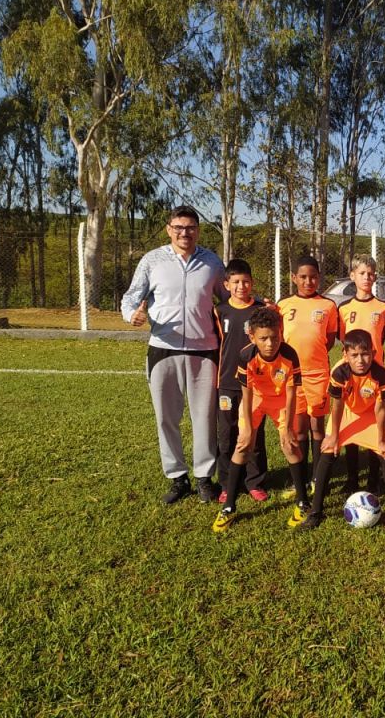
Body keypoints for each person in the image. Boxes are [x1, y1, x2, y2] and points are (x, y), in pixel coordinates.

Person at [121, 206, 226, 505]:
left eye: (190, 227)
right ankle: (178, 478)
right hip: (162, 349)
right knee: (166, 417)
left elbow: (229, 296)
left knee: (204, 417)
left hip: (204, 350)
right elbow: (132, 296)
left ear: (198, 230)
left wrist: (258, 305)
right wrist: (132, 315)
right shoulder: (152, 260)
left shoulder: (211, 262)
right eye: (178, 227)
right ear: (169, 229)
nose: (184, 233)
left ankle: (205, 478)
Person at [300, 330, 385, 531]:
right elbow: (337, 405)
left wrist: (382, 439)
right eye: (354, 355)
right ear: (345, 354)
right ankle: (316, 512)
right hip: (346, 414)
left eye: (365, 354)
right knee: (328, 451)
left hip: (370, 415)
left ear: (374, 351)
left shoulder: (380, 374)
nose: (360, 360)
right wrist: (334, 435)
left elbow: (380, 408)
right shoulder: (339, 373)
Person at [211, 307, 305, 533]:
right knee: (243, 444)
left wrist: (288, 429)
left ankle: (303, 503)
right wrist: (247, 427)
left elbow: (291, 393)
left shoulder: (290, 355)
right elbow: (247, 392)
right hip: (256, 398)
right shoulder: (246, 355)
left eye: (274, 337)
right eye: (263, 338)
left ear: (280, 333)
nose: (270, 343)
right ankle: (229, 507)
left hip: (281, 400)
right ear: (252, 337)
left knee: (290, 445)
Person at [277, 256, 338, 485]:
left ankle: (317, 477)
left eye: (313, 277)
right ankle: (300, 476)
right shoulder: (283, 305)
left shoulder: (328, 306)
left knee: (317, 427)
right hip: (293, 376)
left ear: (319, 278)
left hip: (318, 374)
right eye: (303, 277)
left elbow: (329, 340)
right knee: (299, 428)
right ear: (294, 278)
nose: (308, 281)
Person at [213, 258, 270, 503]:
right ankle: (227, 483)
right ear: (226, 284)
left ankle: (254, 482)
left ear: (252, 282)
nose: (241, 286)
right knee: (227, 434)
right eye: (235, 282)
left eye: (245, 281)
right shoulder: (219, 311)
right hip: (227, 382)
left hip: (256, 384)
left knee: (254, 433)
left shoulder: (261, 310)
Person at [337, 255, 385, 493]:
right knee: (353, 424)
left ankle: (373, 478)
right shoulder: (343, 308)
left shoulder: (384, 308)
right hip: (352, 375)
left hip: (374, 376)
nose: (366, 278)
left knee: (375, 423)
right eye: (362, 273)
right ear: (352, 276)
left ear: (375, 277)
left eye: (371, 274)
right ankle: (351, 478)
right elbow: (342, 340)